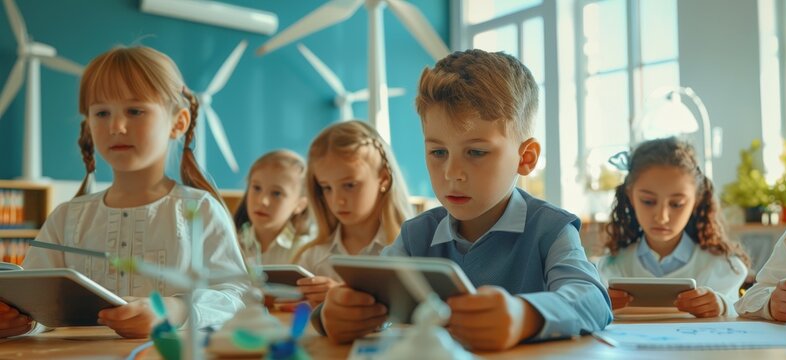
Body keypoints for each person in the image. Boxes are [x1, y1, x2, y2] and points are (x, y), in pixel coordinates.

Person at [317, 50, 612, 351]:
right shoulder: (416, 236)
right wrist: (332, 316)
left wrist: (526, 316)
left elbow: (592, 299)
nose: (452, 173)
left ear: (526, 158)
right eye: (438, 152)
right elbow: (364, 297)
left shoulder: (551, 229)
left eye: (476, 152)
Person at [0, 46, 249, 339]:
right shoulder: (66, 218)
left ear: (178, 123)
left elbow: (240, 298)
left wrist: (175, 310)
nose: (116, 126)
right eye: (102, 112)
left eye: (135, 110)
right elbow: (39, 306)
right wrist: (22, 322)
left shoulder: (200, 210)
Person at [599, 138, 749, 317]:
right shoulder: (609, 269)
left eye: (677, 204)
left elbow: (742, 313)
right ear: (631, 196)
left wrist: (722, 305)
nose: (662, 217)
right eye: (648, 201)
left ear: (696, 201)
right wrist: (597, 304)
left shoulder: (721, 267)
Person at [293, 120, 414, 306]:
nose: (337, 200)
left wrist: (340, 296)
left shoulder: (411, 250)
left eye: (349, 185)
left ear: (383, 179)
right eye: (326, 188)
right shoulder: (312, 258)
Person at [234, 150, 311, 266]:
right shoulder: (231, 243)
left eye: (276, 193)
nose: (262, 201)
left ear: (300, 205)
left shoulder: (305, 251)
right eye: (256, 188)